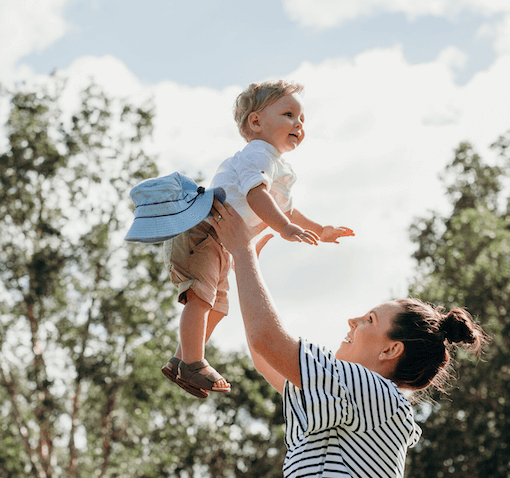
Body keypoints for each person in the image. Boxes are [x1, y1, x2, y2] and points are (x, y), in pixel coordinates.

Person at [209, 199, 487, 477]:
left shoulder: (375, 391)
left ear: (391, 349)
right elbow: (266, 357)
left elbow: (267, 342)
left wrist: (243, 251)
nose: (352, 321)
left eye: (369, 320)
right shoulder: (361, 399)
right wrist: (243, 266)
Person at [161, 80, 355, 399]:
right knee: (201, 299)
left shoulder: (278, 166)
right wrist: (283, 228)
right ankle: (193, 361)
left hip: (222, 242)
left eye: (302, 119)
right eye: (289, 114)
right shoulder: (258, 154)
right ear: (256, 121)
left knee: (219, 307)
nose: (299, 124)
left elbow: (288, 211)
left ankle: (182, 359)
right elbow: (256, 196)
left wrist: (322, 230)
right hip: (203, 229)